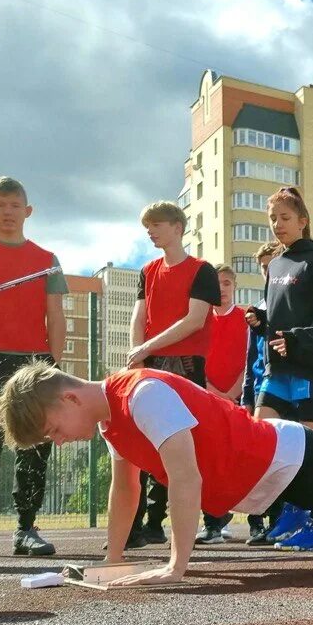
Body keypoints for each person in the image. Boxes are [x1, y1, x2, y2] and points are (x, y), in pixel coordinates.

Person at [0, 362, 313, 585]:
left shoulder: (143, 396)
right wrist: (114, 560)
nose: (58, 441)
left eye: (53, 430)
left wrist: (176, 563)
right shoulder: (110, 425)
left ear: (70, 397)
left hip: (293, 460)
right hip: (262, 482)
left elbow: (184, 478)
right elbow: (127, 491)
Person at [125, 201, 221, 548]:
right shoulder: (147, 269)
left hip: (185, 365)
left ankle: (159, 522)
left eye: (157, 224)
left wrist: (147, 347)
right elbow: (139, 315)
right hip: (150, 362)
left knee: (178, 443)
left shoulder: (202, 270)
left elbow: (195, 319)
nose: (150, 231)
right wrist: (137, 353)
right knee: (141, 440)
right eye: (147, 226)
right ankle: (135, 527)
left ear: (177, 227)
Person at [253, 187, 313, 551]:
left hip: (311, 371)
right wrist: (260, 321)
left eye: (285, 218)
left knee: (309, 450)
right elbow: (279, 314)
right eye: (273, 219)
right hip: (277, 371)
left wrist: (295, 338)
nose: (278, 225)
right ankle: (288, 512)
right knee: (263, 437)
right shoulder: (274, 265)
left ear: (303, 221)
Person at [0, 176, 66, 557]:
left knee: (33, 446)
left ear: (27, 211)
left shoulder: (46, 261)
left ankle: (25, 528)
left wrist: (55, 365)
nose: (7, 212)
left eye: (15, 205)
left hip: (32, 364)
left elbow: (56, 315)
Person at [196, 263, 250, 544]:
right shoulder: (199, 320)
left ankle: (258, 523)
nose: (222, 289)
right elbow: (195, 360)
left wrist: (234, 391)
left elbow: (250, 360)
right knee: (208, 459)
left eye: (227, 283)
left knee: (242, 458)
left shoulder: (245, 319)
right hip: (208, 398)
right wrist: (214, 391)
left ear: (235, 287)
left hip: (239, 397)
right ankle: (213, 523)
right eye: (217, 283)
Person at [242, 242, 280, 545]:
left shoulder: (286, 303)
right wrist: (246, 395)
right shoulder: (256, 310)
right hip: (257, 389)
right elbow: (249, 356)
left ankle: (279, 519)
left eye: (272, 264)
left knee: (277, 456)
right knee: (255, 458)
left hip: (279, 388)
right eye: (263, 266)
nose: (268, 270)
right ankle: (257, 522)